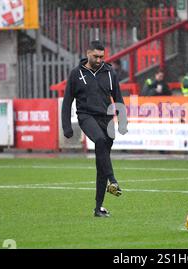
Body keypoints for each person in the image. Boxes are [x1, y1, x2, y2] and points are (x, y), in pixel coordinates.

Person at [62, 40, 128, 218]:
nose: (99, 60)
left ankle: (98, 208)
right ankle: (113, 181)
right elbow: (67, 101)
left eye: (102, 57)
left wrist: (123, 121)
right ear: (88, 53)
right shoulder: (76, 74)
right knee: (99, 140)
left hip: (107, 118)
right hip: (86, 116)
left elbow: (118, 97)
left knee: (102, 163)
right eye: (95, 56)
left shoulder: (109, 72)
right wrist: (66, 127)